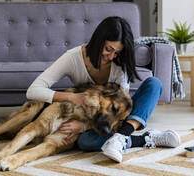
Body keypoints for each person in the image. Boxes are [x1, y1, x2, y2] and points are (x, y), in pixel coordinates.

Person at [26, 16, 181, 163]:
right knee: (85, 142)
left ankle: (121, 137)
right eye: (108, 49)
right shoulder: (73, 58)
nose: (111, 56)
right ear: (99, 41)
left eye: (117, 52)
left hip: (117, 119)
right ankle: (144, 139)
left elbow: (122, 109)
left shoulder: (119, 64)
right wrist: (72, 98)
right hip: (94, 119)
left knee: (154, 84)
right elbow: (33, 90)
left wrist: (86, 127)